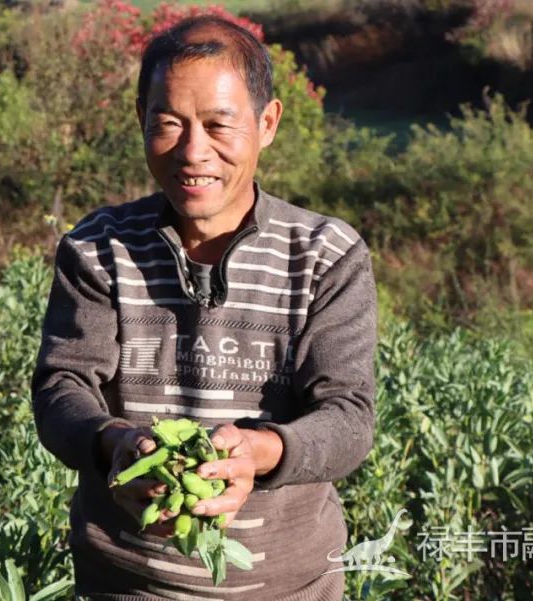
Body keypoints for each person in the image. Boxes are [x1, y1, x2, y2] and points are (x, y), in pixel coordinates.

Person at [31, 14, 377, 601]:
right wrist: (114, 442)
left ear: (267, 123)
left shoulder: (325, 254)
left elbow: (348, 417)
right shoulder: (96, 248)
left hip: (289, 587)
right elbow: (62, 387)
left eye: (220, 124)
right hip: (124, 585)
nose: (194, 152)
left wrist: (261, 451)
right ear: (141, 123)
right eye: (168, 123)